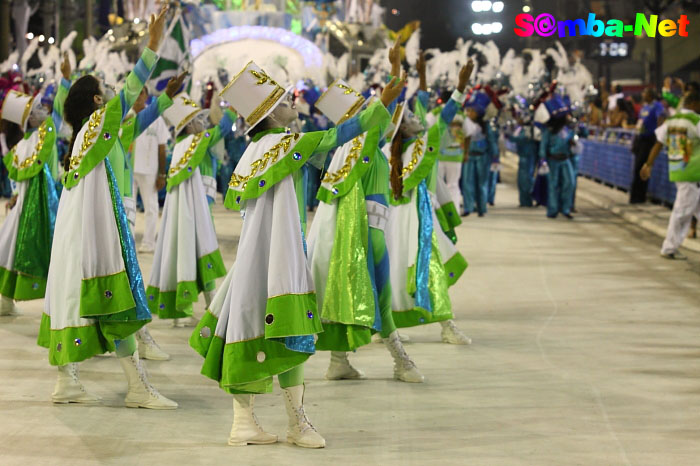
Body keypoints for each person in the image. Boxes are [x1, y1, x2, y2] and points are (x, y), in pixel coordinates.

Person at [189, 61, 402, 448]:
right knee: (289, 332)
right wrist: (379, 104)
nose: (294, 104)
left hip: (262, 252)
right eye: (286, 101)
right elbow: (341, 135)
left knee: (251, 327)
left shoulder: (257, 149)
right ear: (270, 114)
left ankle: (250, 423)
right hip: (278, 253)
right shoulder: (282, 143)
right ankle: (294, 424)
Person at [38, 7, 178, 409]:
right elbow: (134, 90)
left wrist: (165, 98)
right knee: (115, 298)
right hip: (94, 232)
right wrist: (152, 44)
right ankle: (137, 388)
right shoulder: (99, 125)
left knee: (72, 297)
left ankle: (67, 382)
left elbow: (140, 108)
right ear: (98, 100)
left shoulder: (86, 134)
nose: (115, 94)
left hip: (77, 229)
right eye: (107, 89)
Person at [384, 52, 473, 344]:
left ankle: (389, 328)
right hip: (416, 219)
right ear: (404, 131)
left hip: (397, 220)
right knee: (427, 266)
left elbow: (416, 105)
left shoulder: (393, 151)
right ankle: (446, 326)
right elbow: (443, 115)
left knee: (398, 273)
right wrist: (461, 88)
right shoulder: (419, 147)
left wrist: (407, 71)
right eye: (409, 118)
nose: (415, 116)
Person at [146, 92, 233, 326]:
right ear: (188, 125)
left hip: (186, 210)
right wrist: (233, 109)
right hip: (192, 210)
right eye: (197, 121)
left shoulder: (182, 146)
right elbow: (222, 130)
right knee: (198, 247)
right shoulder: (193, 142)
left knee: (186, 252)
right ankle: (209, 305)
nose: (201, 124)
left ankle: (193, 309)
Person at [0, 54, 71, 316]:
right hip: (40, 201)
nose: (44, 111)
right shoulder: (35, 138)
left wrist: (64, 81)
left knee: (14, 246)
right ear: (29, 119)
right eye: (38, 110)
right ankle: (11, 300)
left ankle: (9, 300)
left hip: (45, 196)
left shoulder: (37, 137)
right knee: (17, 247)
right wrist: (18, 194)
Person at [640, 91, 700, 260]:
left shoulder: (672, 120)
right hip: (692, 173)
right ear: (695, 104)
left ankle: (670, 247)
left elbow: (658, 144)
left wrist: (648, 164)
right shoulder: (696, 121)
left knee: (690, 210)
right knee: (681, 213)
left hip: (677, 169)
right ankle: (669, 248)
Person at [130, 90, 170, 252]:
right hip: (129, 169)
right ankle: (129, 243)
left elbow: (162, 147)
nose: (138, 97)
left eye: (141, 93)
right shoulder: (126, 117)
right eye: (136, 93)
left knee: (151, 207)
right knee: (128, 207)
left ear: (146, 96)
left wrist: (162, 173)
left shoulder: (156, 119)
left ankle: (148, 243)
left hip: (150, 170)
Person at [461, 91, 498, 216]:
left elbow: (492, 142)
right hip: (469, 157)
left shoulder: (486, 126)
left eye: (472, 110)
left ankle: (482, 208)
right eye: (468, 110)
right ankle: (468, 207)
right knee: (467, 183)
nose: (469, 113)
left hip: (483, 158)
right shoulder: (465, 124)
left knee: (482, 184)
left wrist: (495, 157)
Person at [539, 96, 575, 220]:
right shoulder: (549, 130)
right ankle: (553, 209)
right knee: (553, 185)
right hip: (553, 160)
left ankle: (565, 209)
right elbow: (543, 145)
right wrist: (542, 159)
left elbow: (576, 140)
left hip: (565, 159)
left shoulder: (569, 129)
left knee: (569, 183)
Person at [630, 88, 665, 203]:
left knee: (643, 167)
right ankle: (634, 196)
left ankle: (640, 197)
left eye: (645, 92)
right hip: (640, 139)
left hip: (649, 140)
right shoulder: (644, 107)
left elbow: (661, 117)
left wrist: (660, 133)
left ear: (650, 95)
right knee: (636, 168)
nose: (643, 94)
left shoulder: (657, 106)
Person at [509, 121, 538, 207]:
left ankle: (527, 201)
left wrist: (509, 134)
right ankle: (523, 201)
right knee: (522, 180)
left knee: (526, 180)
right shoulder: (521, 128)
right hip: (523, 155)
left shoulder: (528, 129)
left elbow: (519, 138)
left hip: (528, 156)